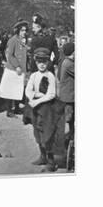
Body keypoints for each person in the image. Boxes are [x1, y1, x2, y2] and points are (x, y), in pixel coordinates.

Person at [24, 47, 61, 172]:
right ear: (35, 62)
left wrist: (38, 98)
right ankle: (42, 156)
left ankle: (51, 160)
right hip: (35, 108)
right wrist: (34, 96)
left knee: (48, 133)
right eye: (39, 61)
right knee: (37, 131)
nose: (42, 64)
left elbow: (51, 94)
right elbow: (28, 90)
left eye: (44, 62)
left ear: (48, 62)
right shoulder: (34, 76)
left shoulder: (50, 75)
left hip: (47, 109)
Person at [0, 19, 29, 117]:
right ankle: (9, 111)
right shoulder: (12, 40)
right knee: (10, 90)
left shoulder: (23, 40)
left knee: (18, 89)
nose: (24, 32)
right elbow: (10, 55)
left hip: (21, 70)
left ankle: (16, 108)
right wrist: (17, 66)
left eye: (25, 30)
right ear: (18, 31)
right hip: (13, 69)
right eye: (22, 30)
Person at [58, 42, 75, 171]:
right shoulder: (69, 64)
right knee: (69, 122)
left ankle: (70, 143)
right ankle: (68, 148)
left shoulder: (65, 62)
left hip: (68, 97)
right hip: (69, 98)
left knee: (70, 122)